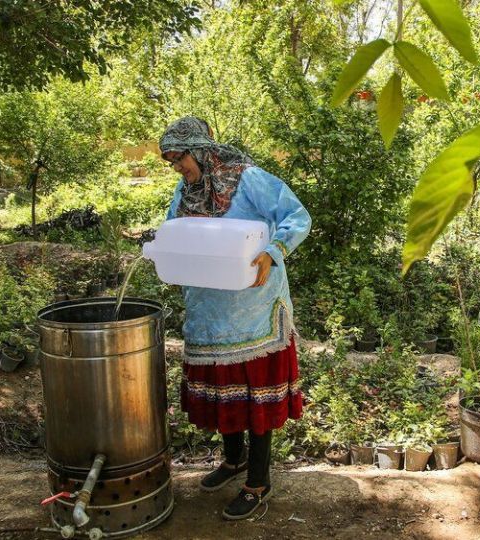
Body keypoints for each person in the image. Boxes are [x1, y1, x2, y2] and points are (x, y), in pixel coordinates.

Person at [159, 116, 311, 520]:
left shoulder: (250, 179)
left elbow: (298, 216)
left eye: (180, 158)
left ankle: (258, 482)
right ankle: (233, 460)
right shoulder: (186, 190)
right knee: (226, 392)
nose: (177, 168)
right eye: (171, 162)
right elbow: (174, 231)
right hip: (210, 310)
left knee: (253, 397)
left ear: (201, 150)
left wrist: (275, 249)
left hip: (253, 311)